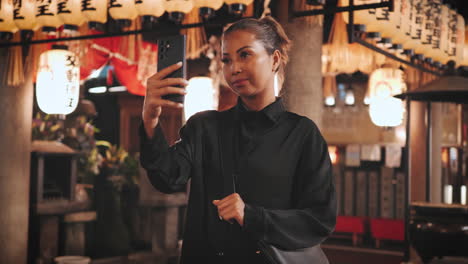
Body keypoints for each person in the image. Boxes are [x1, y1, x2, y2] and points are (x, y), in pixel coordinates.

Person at [140, 16, 336, 264]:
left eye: (245, 55)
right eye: (227, 60)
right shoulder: (204, 127)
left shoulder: (302, 134)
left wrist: (251, 216)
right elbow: (167, 178)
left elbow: (319, 220)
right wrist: (149, 119)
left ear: (274, 60)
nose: (234, 68)